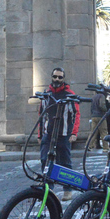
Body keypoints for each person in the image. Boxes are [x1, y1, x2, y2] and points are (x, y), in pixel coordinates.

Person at [38, 67, 79, 201]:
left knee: (65, 162)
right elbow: (41, 114)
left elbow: (76, 115)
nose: (57, 79)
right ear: (51, 77)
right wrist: (40, 134)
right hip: (48, 133)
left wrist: (74, 133)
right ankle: (48, 187)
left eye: (60, 77)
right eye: (55, 76)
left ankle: (67, 189)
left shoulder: (70, 94)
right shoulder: (46, 94)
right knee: (45, 159)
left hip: (64, 133)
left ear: (63, 79)